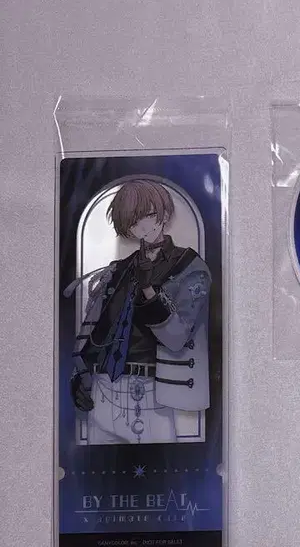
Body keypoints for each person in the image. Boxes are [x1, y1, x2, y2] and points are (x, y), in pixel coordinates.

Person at [68, 178, 211, 444]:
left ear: (164, 214)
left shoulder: (190, 267)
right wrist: (80, 373)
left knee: (161, 466)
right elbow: (97, 327)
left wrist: (148, 290)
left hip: (150, 395)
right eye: (133, 221)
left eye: (149, 215)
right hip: (102, 391)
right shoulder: (119, 269)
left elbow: (177, 338)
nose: (142, 226)